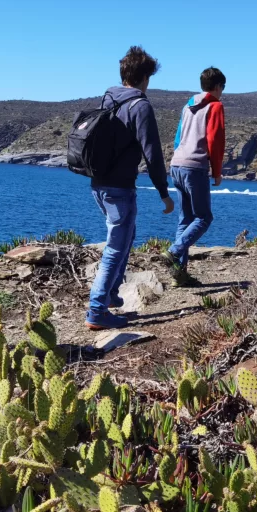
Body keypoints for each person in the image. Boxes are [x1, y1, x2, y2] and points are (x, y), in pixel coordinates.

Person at [86, 46, 174, 330]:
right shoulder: (140, 105)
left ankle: (111, 297)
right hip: (119, 187)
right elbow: (153, 153)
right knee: (116, 246)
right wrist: (164, 191)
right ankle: (97, 311)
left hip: (99, 184)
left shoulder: (109, 98)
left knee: (126, 236)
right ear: (145, 77)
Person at [166, 67, 226, 279]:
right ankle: (174, 251)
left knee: (185, 219)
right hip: (195, 166)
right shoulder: (215, 106)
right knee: (204, 218)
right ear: (218, 86)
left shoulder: (187, 107)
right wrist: (217, 172)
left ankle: (178, 275)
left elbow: (177, 138)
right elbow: (215, 141)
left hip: (177, 164)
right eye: (223, 88)